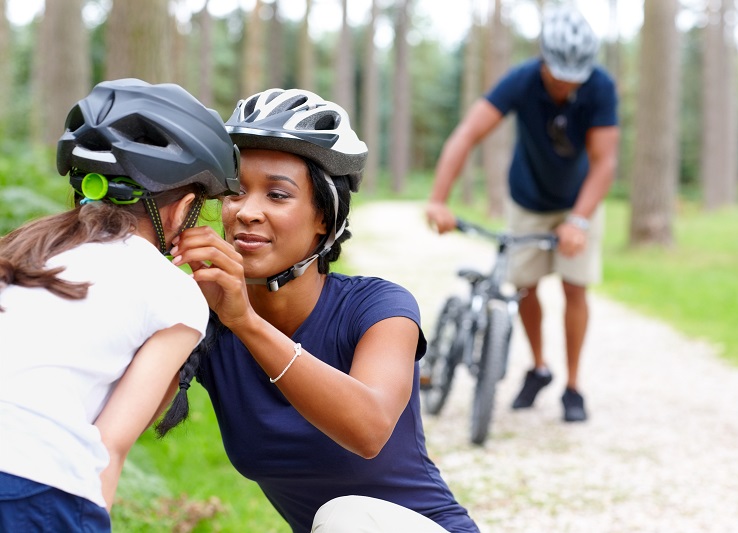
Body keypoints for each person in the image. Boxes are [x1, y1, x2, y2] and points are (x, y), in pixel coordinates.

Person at [163, 88, 479, 533]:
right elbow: (126, 418)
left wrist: (246, 323)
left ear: (324, 219)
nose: (246, 212)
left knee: (344, 517)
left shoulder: (379, 307)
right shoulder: (207, 319)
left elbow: (368, 431)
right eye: (236, 193)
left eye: (277, 195)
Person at [0, 78, 240, 531]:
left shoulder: (27, 248)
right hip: (35, 483)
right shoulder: (175, 291)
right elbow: (111, 444)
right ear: (181, 208)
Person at [425, 4, 619, 423]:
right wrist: (439, 198)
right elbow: (468, 134)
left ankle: (573, 387)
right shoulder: (521, 81)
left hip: (578, 201)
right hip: (528, 198)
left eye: (575, 77)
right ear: (543, 60)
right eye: (559, 74)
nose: (567, 84)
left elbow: (605, 162)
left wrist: (579, 220)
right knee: (525, 287)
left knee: (575, 288)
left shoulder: (601, 86)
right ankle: (539, 368)